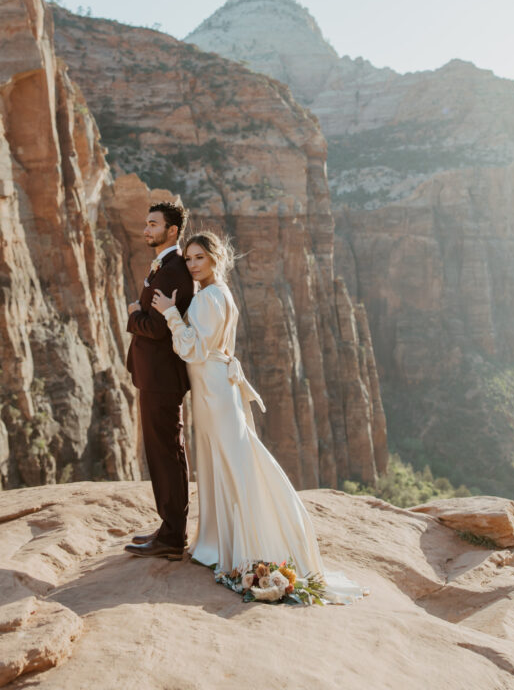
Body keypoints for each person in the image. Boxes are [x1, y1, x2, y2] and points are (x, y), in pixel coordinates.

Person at [151, 230, 365, 603]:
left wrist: (170, 314)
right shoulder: (219, 295)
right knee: (225, 458)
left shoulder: (210, 298)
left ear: (215, 257)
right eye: (188, 259)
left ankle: (248, 547)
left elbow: (192, 350)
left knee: (232, 461)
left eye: (199, 257)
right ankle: (222, 543)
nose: (192, 264)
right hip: (215, 387)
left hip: (214, 389)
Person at [124, 202, 194, 560]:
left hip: (161, 378)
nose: (146, 229)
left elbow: (158, 329)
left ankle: (172, 536)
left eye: (153, 224)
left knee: (166, 453)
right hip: (155, 377)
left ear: (172, 230)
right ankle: (167, 528)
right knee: (163, 452)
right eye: (146, 223)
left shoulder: (172, 271)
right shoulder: (165, 266)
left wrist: (134, 314)